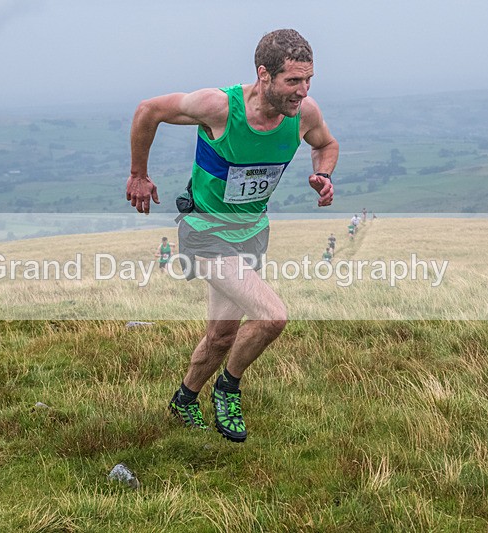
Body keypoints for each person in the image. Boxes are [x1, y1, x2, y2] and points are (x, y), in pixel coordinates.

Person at [126, 29, 339, 442]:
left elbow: (326, 144)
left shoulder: (304, 113)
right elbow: (148, 109)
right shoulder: (219, 107)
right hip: (205, 232)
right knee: (272, 316)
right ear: (264, 75)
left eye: (308, 80)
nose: (303, 91)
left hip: (252, 234)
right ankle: (228, 388)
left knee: (221, 335)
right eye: (293, 81)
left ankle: (184, 400)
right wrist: (138, 174)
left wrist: (324, 173)